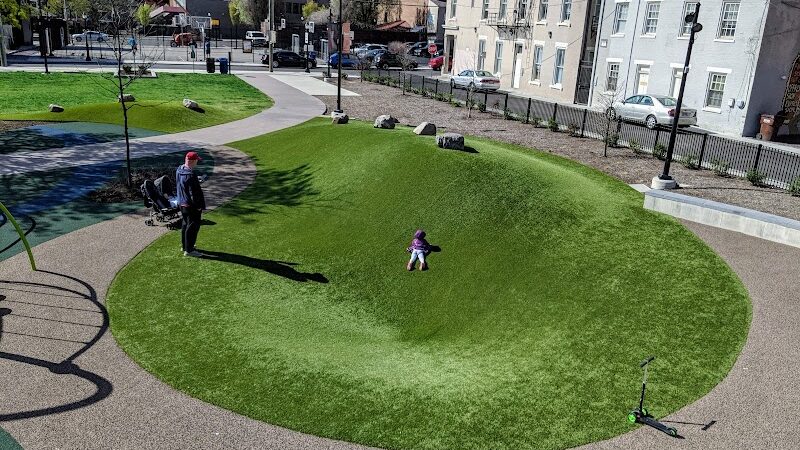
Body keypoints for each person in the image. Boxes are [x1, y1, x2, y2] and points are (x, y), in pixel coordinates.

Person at [176, 151, 206, 257]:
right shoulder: (191, 175)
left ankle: (185, 245)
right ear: (193, 161)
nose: (197, 162)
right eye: (196, 160)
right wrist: (198, 207)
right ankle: (189, 250)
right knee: (193, 227)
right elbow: (194, 194)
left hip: (182, 203)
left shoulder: (180, 169)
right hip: (191, 206)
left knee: (185, 225)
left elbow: (184, 185)